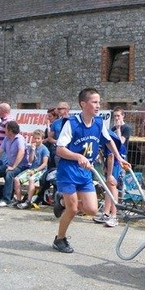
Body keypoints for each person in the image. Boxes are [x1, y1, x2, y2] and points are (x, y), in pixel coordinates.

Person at [52, 88, 128, 253]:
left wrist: (119, 158)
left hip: (86, 171)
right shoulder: (72, 124)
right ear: (83, 104)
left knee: (92, 210)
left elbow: (108, 141)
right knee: (72, 210)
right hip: (69, 170)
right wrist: (78, 157)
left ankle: (62, 201)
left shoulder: (99, 122)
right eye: (94, 102)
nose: (98, 106)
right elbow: (60, 149)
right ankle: (60, 239)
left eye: (99, 102)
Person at [93, 130, 126, 227]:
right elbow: (100, 151)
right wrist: (104, 164)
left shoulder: (106, 135)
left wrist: (110, 174)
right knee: (108, 188)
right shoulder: (96, 133)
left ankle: (114, 216)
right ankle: (106, 214)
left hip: (116, 162)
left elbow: (111, 155)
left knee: (112, 186)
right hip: (110, 160)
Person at [15, 129, 50, 209]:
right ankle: (19, 200)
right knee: (16, 179)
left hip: (40, 170)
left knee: (31, 179)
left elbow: (44, 164)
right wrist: (33, 150)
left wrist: (35, 170)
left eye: (38, 138)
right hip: (31, 169)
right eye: (35, 138)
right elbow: (30, 160)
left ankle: (28, 201)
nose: (36, 140)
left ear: (42, 139)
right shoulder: (32, 148)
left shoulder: (44, 149)